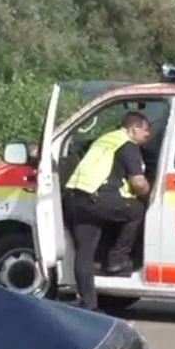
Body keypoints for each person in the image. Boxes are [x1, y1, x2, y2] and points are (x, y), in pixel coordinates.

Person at [62, 111, 152, 310]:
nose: (148, 135)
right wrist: (150, 194)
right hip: (97, 198)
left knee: (84, 253)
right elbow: (138, 183)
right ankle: (116, 260)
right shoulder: (128, 146)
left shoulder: (105, 139)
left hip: (75, 197)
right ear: (133, 128)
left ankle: (89, 304)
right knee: (137, 210)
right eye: (146, 130)